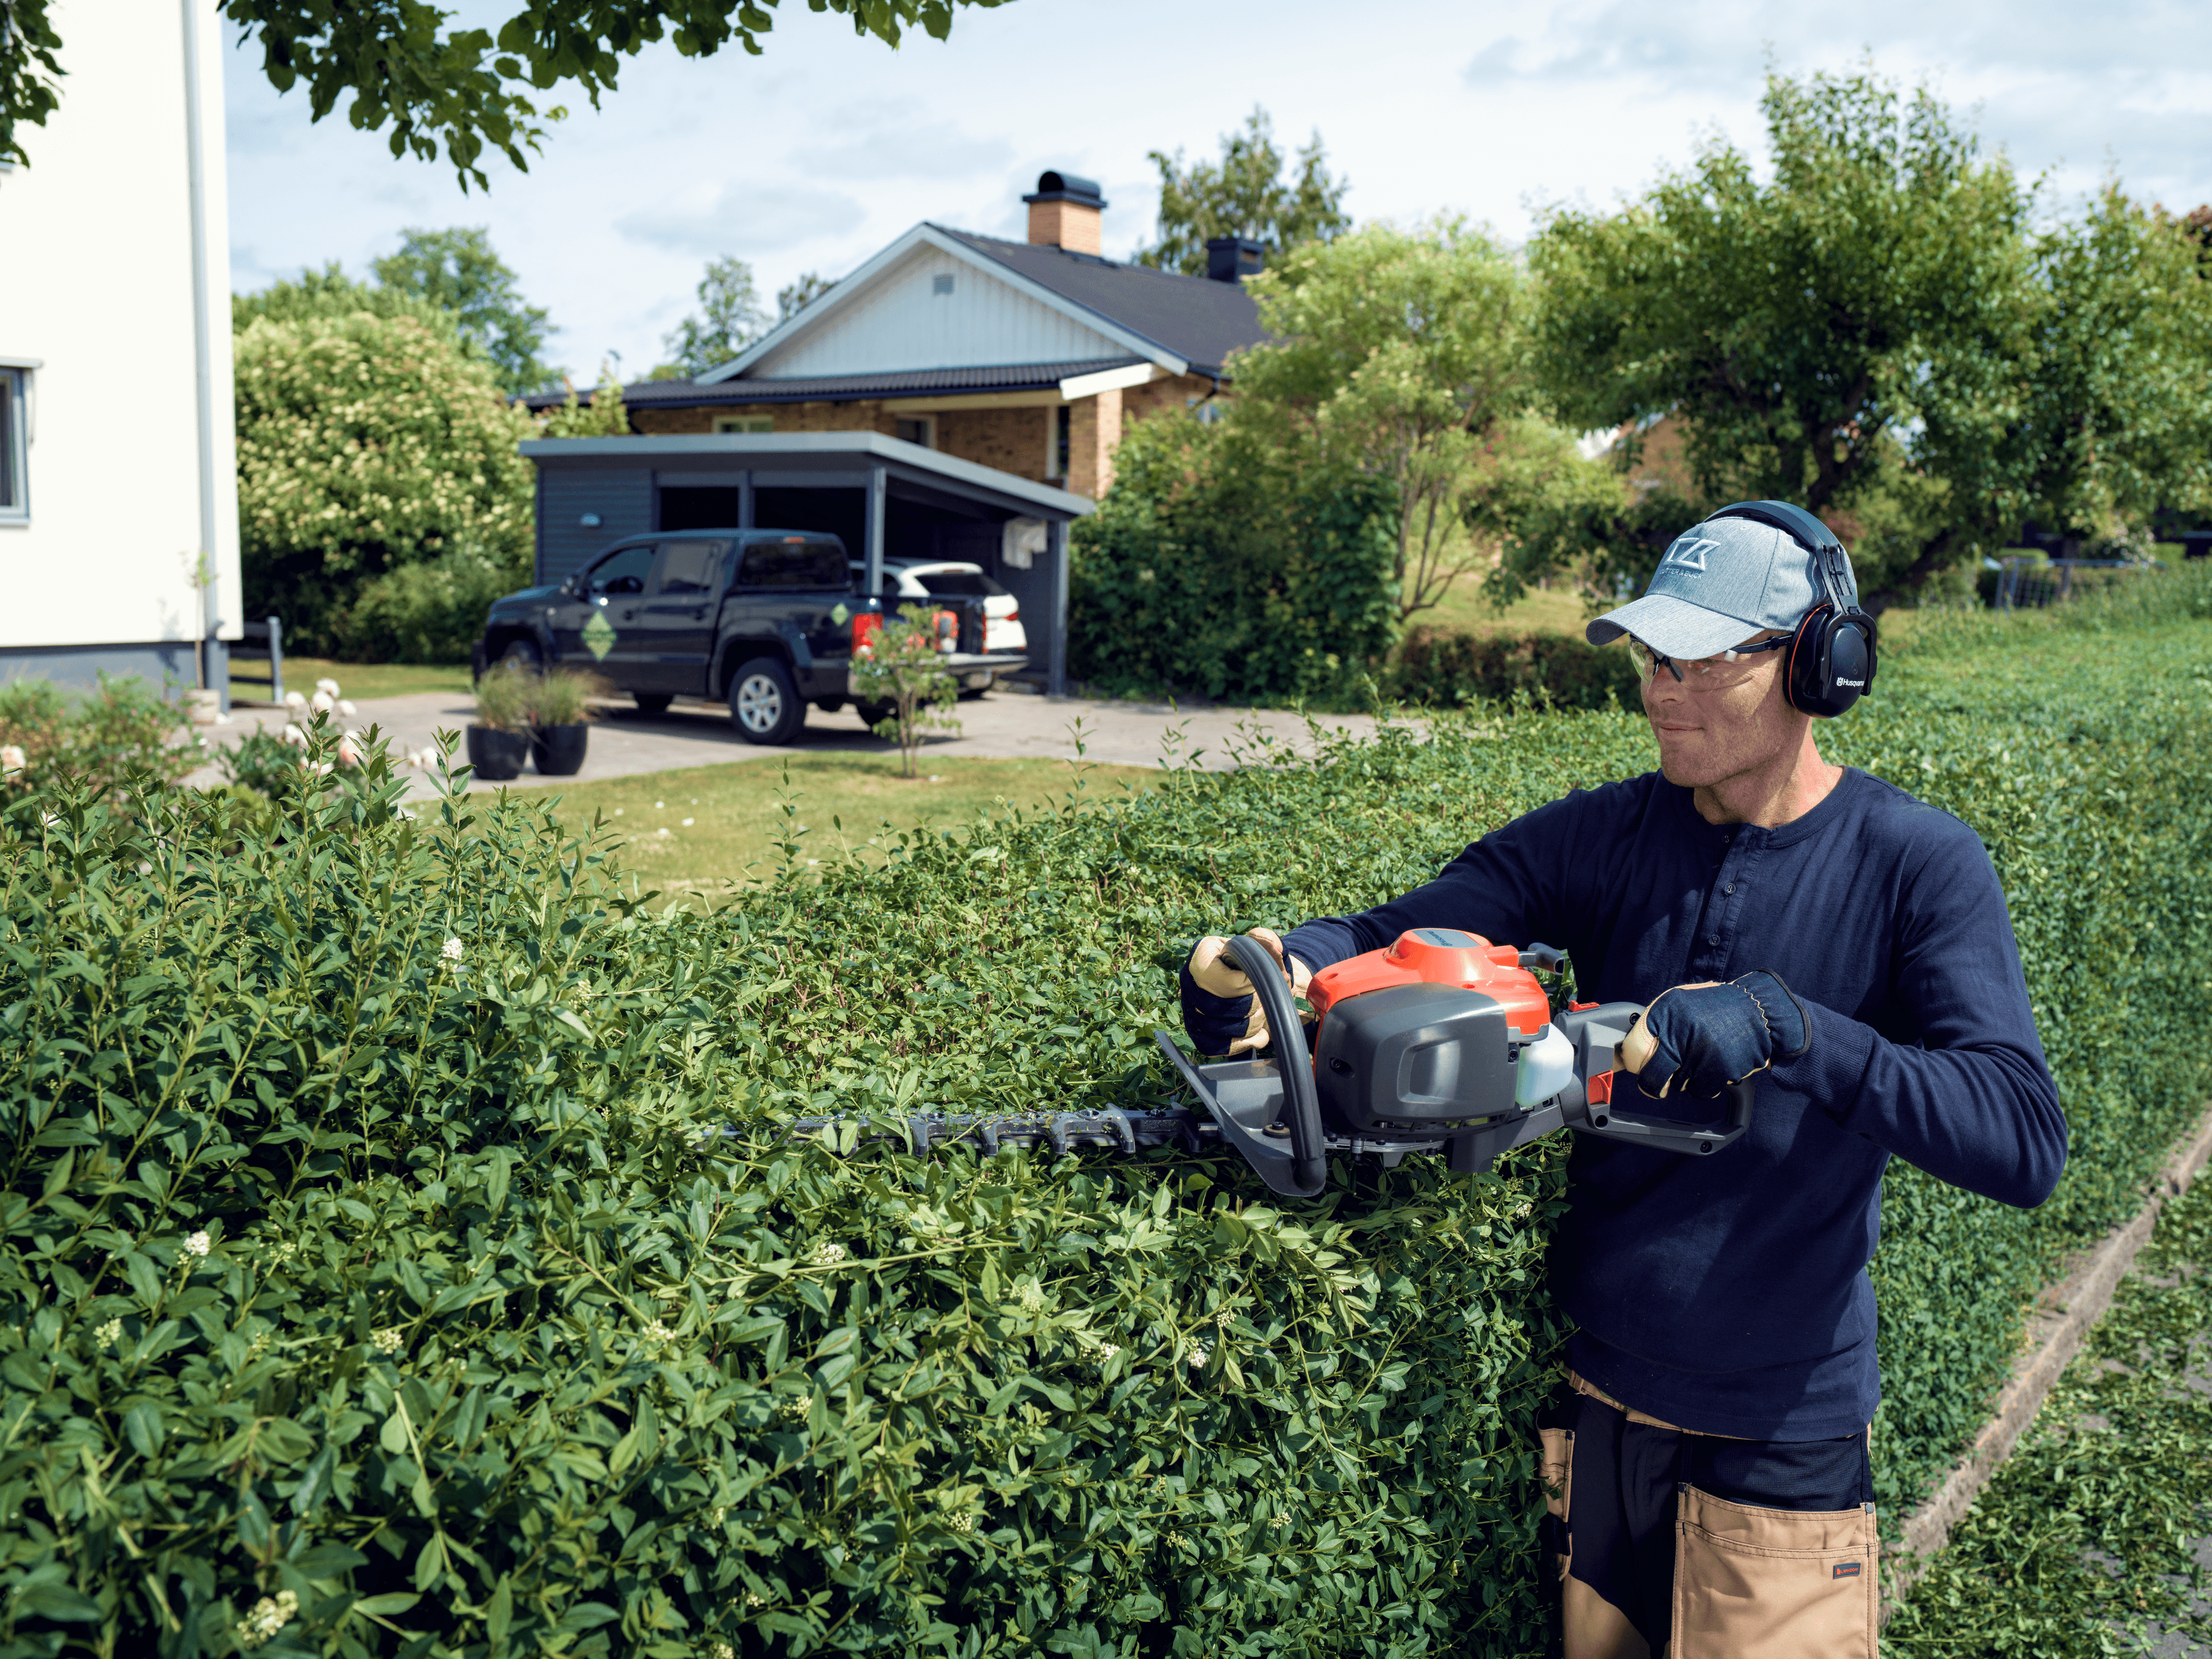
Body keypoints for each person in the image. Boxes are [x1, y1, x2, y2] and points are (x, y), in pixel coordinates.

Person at [1179, 502, 2066, 1658]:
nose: (1660, 689)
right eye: (1653, 656)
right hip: (1602, 1406)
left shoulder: (1915, 864)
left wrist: (1793, 1027)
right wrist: (1276, 967)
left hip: (1780, 1430)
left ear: (1818, 664)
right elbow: (1408, 931)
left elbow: (2022, 1137)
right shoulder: (1604, 834)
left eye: (1703, 660)